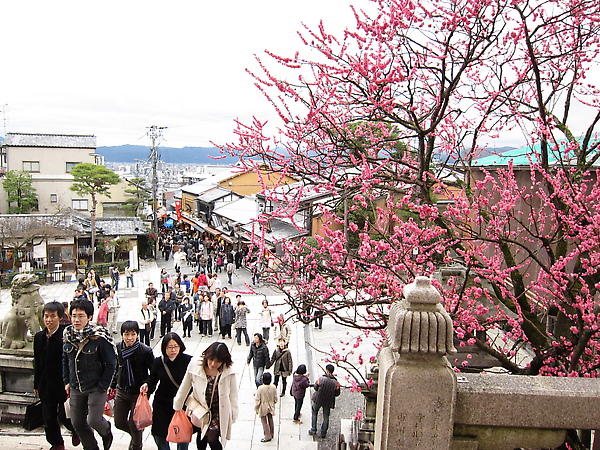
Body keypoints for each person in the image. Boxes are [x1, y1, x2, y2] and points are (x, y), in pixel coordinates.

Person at [62, 299, 116, 450]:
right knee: (77, 422)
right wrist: (67, 380)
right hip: (76, 385)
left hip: (96, 385)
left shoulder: (99, 336)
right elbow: (65, 359)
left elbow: (111, 362)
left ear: (90, 317)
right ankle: (91, 447)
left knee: (94, 420)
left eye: (81, 316)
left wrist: (103, 385)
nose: (76, 320)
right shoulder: (68, 334)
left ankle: (106, 432)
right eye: (73, 316)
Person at [173, 342, 239, 450]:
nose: (213, 364)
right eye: (211, 359)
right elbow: (185, 385)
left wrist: (233, 414)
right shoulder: (195, 365)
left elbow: (233, 394)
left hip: (218, 409)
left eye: (218, 361)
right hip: (201, 407)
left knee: (212, 438)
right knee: (201, 435)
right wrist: (177, 405)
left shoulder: (228, 371)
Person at [34, 302, 80, 450]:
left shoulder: (65, 336)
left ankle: (76, 430)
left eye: (53, 316)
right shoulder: (39, 337)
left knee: (64, 415)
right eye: (46, 316)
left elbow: (72, 362)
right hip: (45, 383)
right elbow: (37, 362)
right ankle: (57, 443)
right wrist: (36, 384)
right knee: (48, 418)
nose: (49, 320)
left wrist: (72, 382)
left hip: (63, 383)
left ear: (60, 317)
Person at [141, 333, 192, 450]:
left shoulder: (188, 361)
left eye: (175, 346)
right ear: (164, 348)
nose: (173, 350)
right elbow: (152, 378)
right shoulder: (159, 362)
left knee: (182, 433)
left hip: (182, 404)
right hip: (162, 403)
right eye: (169, 347)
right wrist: (147, 384)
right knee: (158, 433)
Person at [112, 321, 154, 450]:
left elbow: (153, 373)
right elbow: (115, 367)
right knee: (119, 422)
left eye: (133, 334)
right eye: (126, 334)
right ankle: (136, 436)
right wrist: (112, 384)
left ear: (137, 335)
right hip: (122, 391)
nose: (129, 337)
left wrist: (148, 387)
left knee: (135, 423)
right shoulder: (118, 348)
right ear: (122, 335)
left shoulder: (145, 351)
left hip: (138, 393)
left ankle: (136, 445)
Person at [309, 364, 341, 439]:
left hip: (318, 399)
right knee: (326, 416)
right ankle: (323, 433)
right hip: (328, 401)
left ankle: (313, 429)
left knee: (314, 413)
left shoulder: (321, 379)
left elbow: (316, 387)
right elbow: (337, 394)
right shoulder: (336, 383)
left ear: (327, 370)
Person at [254, 372, 277, 443]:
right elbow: (275, 398)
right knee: (270, 419)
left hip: (263, 406)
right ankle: (272, 433)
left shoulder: (260, 388)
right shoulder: (273, 387)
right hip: (271, 405)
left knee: (264, 422)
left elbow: (258, 399)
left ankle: (267, 436)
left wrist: (256, 407)